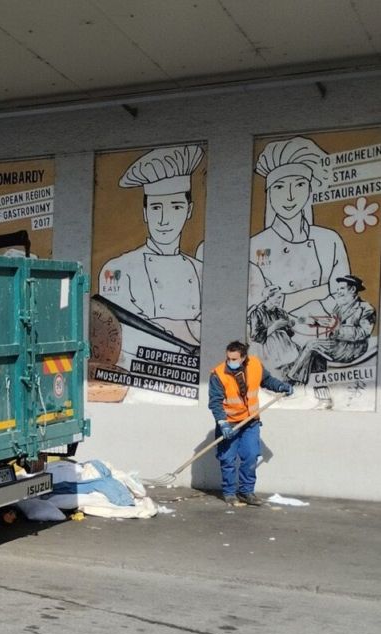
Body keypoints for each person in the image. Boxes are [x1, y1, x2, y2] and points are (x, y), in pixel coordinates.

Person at [98, 145, 205, 346]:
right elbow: (122, 331)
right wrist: (186, 328)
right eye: (156, 208)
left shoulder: (200, 271)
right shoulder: (118, 269)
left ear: (189, 211)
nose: (164, 220)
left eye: (176, 207)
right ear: (145, 213)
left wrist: (166, 326)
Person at [247, 137, 349, 316]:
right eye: (279, 187)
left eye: (299, 185)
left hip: (326, 328)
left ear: (309, 190)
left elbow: (344, 297)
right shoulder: (255, 245)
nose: (290, 196)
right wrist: (323, 290)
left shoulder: (330, 240)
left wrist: (288, 300)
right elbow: (257, 309)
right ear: (269, 193)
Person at [207, 341, 293, 507]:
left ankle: (246, 492)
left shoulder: (255, 365)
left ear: (243, 357)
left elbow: (267, 380)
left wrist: (281, 386)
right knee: (228, 459)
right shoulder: (218, 374)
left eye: (234, 359)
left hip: (250, 421)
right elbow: (215, 402)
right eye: (228, 358)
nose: (230, 361)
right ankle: (230, 493)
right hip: (229, 423)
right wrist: (222, 422)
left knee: (251, 456)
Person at [283, 275, 376, 392]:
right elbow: (330, 323)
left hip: (353, 348)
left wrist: (337, 329)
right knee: (314, 351)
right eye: (338, 289)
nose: (338, 292)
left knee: (312, 345)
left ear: (352, 289)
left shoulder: (366, 308)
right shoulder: (339, 307)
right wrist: (314, 322)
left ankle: (292, 381)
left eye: (342, 289)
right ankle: (318, 387)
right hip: (338, 344)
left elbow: (363, 333)